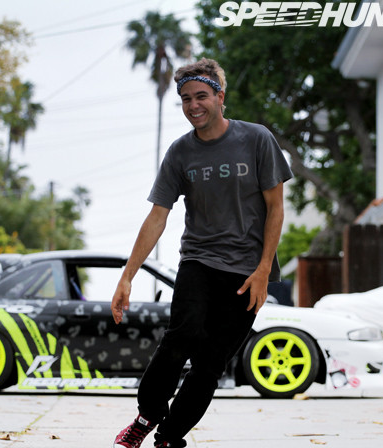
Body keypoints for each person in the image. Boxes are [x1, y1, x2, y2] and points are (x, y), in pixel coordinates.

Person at [111, 58, 293, 448]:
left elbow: (276, 209)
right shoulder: (180, 153)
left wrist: (264, 270)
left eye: (201, 96)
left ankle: (169, 437)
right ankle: (146, 416)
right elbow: (158, 215)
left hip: (248, 272)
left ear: (220, 97)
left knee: (210, 364)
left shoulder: (257, 139)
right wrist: (127, 275)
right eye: (186, 99)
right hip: (199, 260)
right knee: (183, 335)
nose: (194, 105)